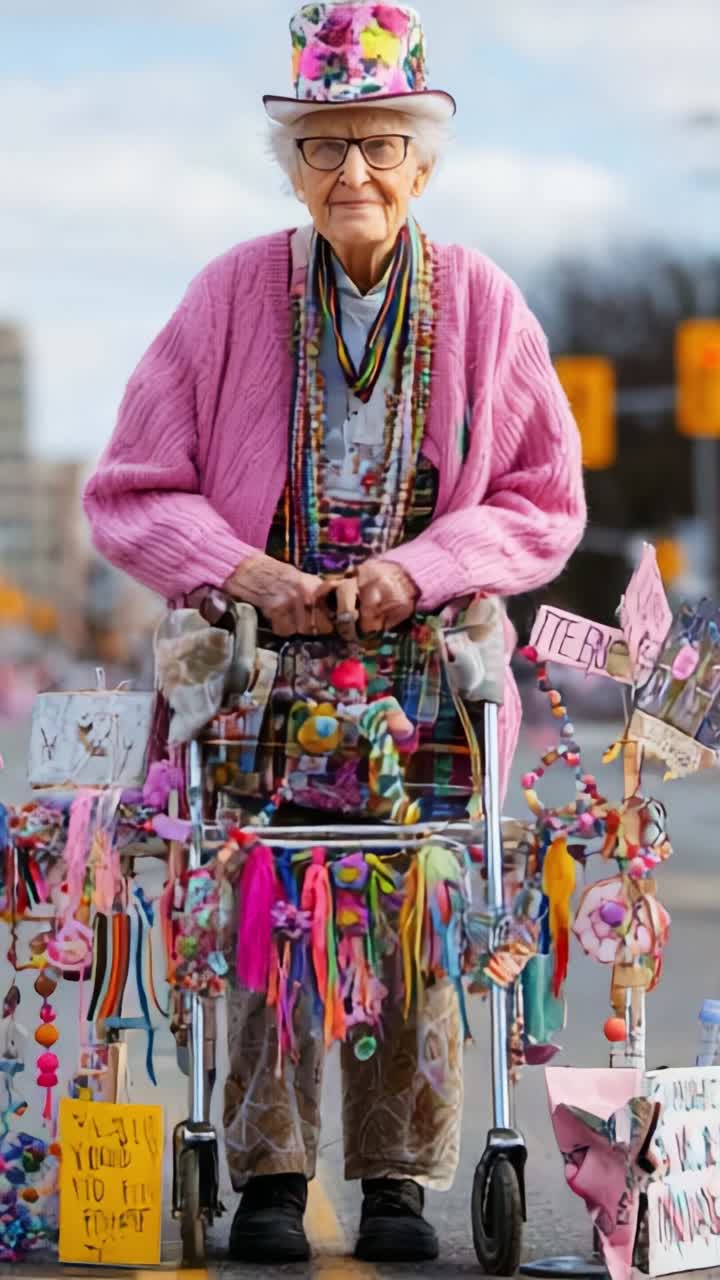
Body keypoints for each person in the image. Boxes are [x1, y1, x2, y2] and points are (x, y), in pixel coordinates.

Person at [83, 1, 586, 1265]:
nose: (352, 171)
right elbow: (132, 487)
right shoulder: (230, 295)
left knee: (409, 905)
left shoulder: (481, 301)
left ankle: (400, 1177)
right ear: (293, 165)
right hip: (261, 661)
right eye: (323, 146)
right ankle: (265, 1173)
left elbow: (542, 499)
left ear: (422, 161)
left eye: (378, 143)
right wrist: (244, 565)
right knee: (263, 897)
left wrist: (416, 571)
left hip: (421, 666)